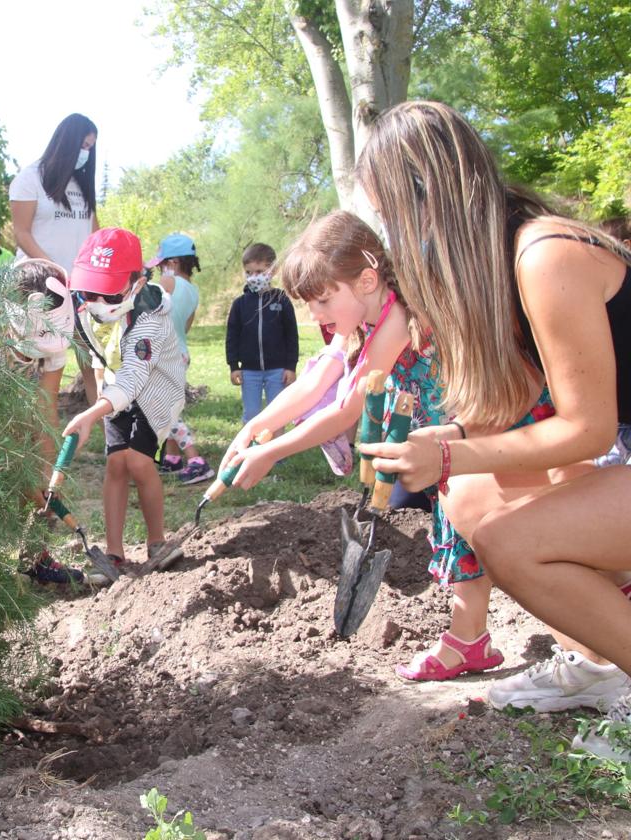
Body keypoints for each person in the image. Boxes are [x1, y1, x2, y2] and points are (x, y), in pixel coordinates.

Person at [355, 101, 631, 758]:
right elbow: (517, 420)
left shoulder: (545, 256)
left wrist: (451, 456)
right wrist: (443, 446)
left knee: (513, 541)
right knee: (475, 496)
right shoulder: (499, 266)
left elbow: (587, 432)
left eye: (391, 213)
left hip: (614, 446)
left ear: (431, 196)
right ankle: (600, 665)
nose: (393, 235)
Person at [221, 211, 504, 680]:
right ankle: (472, 639)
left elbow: (348, 408)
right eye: (310, 304)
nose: (315, 315)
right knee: (452, 521)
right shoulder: (358, 321)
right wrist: (255, 428)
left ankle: (467, 640)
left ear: (367, 280)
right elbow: (314, 386)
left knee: (460, 522)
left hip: (457, 432)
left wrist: (272, 451)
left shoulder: (394, 316)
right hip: (428, 439)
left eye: (323, 300)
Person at [62, 227, 186, 570]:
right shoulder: (84, 305)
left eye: (110, 295)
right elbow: (90, 357)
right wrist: (98, 404)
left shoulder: (150, 318)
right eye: (91, 291)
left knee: (138, 461)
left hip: (155, 391)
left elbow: (135, 376)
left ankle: (157, 541)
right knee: (115, 463)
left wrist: (91, 413)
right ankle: (114, 554)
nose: (99, 303)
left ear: (138, 283)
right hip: (113, 390)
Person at [1, 258, 86, 585]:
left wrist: (47, 478)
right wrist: (22, 473)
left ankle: (34, 558)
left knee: (36, 484)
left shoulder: (55, 338)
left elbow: (46, 410)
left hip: (9, 405)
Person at [9, 113, 101, 407]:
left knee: (91, 360)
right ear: (66, 142)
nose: (85, 154)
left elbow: (94, 236)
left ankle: (107, 430)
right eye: (82, 146)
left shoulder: (83, 186)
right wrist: (56, 272)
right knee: (25, 365)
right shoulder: (30, 177)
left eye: (90, 149)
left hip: (77, 290)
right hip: (36, 288)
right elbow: (21, 233)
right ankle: (17, 431)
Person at [147, 233, 214, 485]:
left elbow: (145, 308)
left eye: (161, 264)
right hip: (180, 352)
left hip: (163, 354)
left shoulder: (166, 282)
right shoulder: (193, 292)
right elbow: (185, 327)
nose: (159, 270)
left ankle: (196, 461)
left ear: (173, 263)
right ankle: (172, 459)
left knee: (166, 411)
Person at [225, 243, 298, 427]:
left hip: (277, 371)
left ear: (272, 271)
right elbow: (232, 336)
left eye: (259, 271)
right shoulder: (240, 304)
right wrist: (234, 365)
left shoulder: (281, 300)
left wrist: (290, 366)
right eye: (249, 272)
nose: (254, 277)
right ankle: (249, 453)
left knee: (277, 415)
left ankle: (276, 456)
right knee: (251, 415)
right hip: (249, 371)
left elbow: (291, 335)